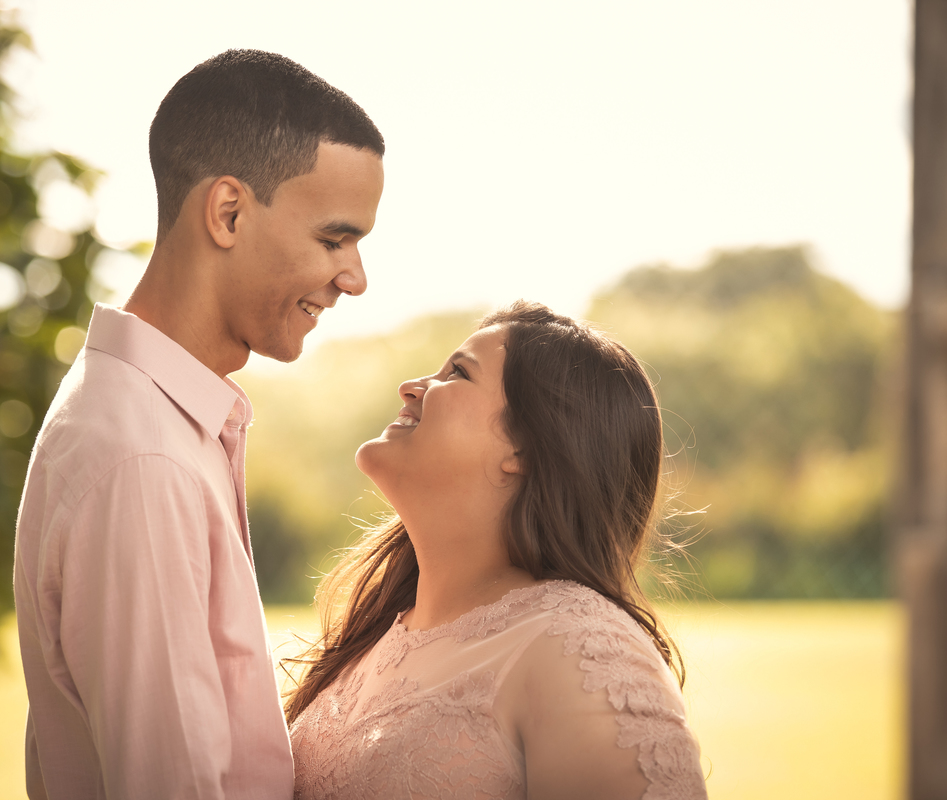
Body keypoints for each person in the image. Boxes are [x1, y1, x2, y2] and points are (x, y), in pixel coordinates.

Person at [13, 50, 384, 800]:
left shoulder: (153, 420)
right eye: (334, 239)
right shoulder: (143, 459)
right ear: (228, 213)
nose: (355, 278)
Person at [287, 302, 707, 799]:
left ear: (524, 449)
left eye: (457, 372)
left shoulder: (582, 647)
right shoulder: (377, 633)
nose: (411, 386)